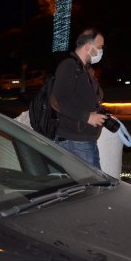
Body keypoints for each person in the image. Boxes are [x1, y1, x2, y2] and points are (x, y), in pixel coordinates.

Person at [51, 28, 107, 169]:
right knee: (94, 187)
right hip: (75, 141)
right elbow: (58, 100)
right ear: (88, 47)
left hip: (83, 140)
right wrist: (87, 117)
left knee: (91, 187)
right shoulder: (69, 66)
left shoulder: (83, 70)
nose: (101, 51)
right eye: (100, 47)